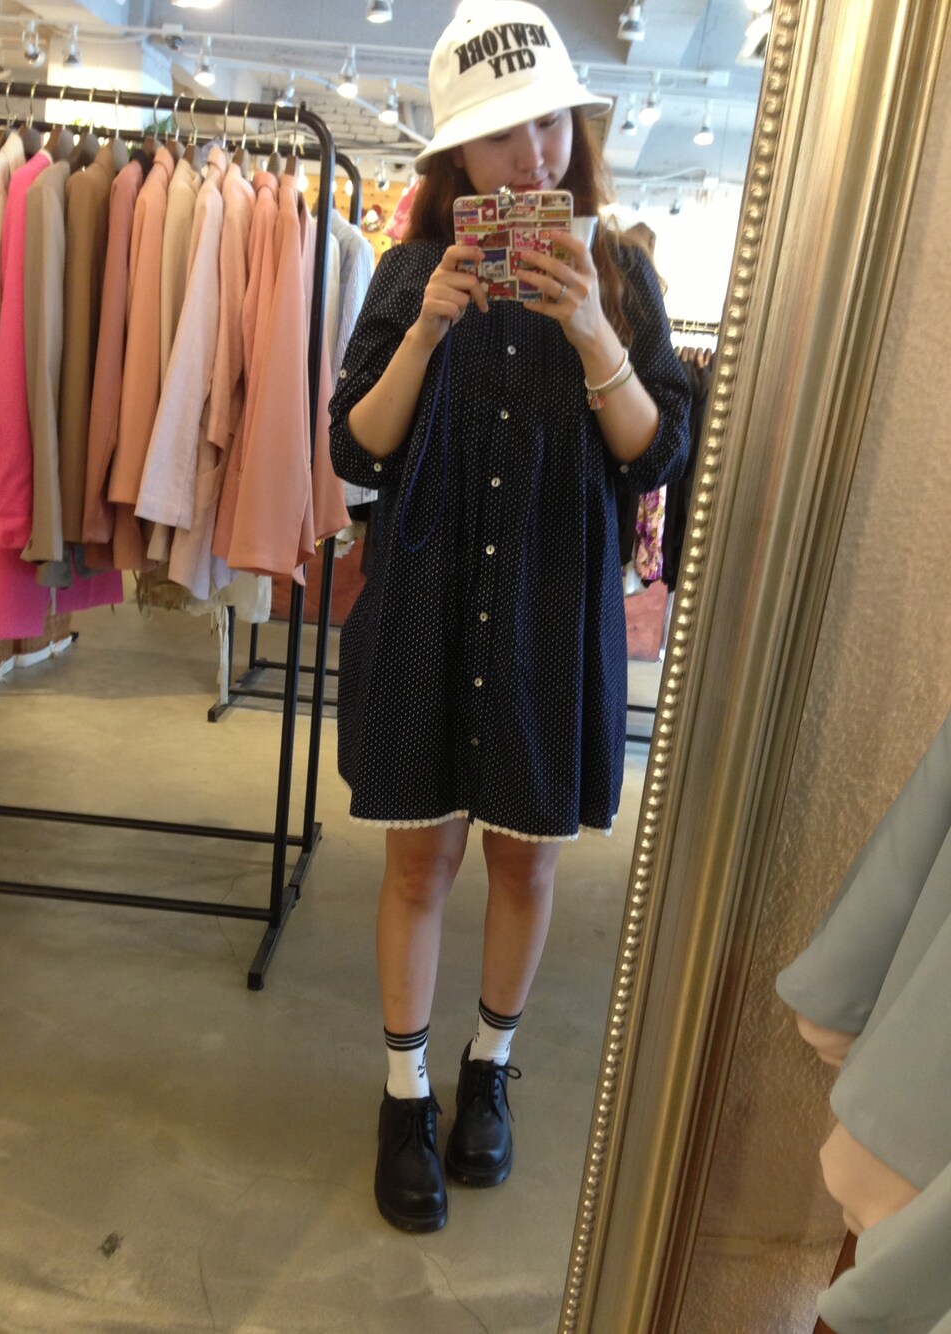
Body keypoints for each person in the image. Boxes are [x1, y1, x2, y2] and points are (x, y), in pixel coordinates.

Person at [328, 0, 692, 1234]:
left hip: (547, 612)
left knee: (525, 858)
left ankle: (488, 1067)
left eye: (547, 126)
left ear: (575, 131)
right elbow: (356, 448)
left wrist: (589, 327)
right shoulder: (404, 275)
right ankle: (404, 1092)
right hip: (426, 605)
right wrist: (428, 327)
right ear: (457, 158)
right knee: (418, 857)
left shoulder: (622, 275)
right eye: (499, 136)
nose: (531, 157)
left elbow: (655, 456)